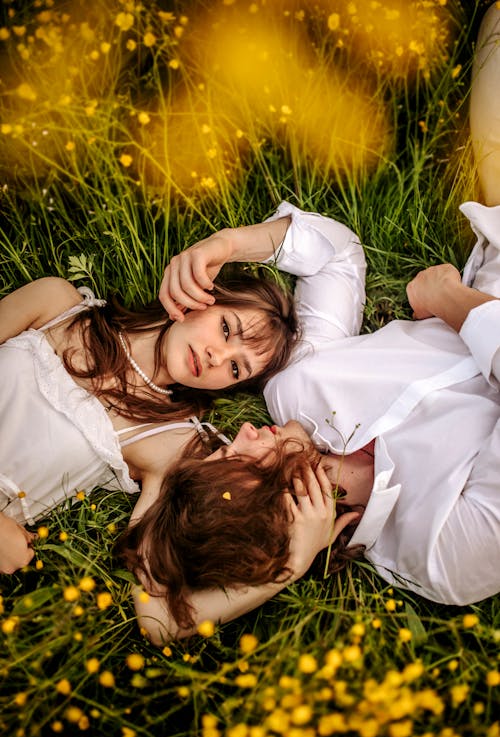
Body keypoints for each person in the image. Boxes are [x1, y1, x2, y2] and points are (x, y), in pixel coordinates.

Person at [124, 5, 500, 643]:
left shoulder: (297, 393)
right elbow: (161, 626)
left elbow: (336, 257)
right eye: (239, 458)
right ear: (282, 511)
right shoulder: (443, 555)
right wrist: (451, 302)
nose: (238, 430)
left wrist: (232, 244)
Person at [0, 272, 298, 574]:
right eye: (225, 328)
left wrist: (298, 558)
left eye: (235, 368)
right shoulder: (56, 304)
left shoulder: (170, 441)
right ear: (200, 296)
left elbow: (155, 593)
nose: (216, 357)